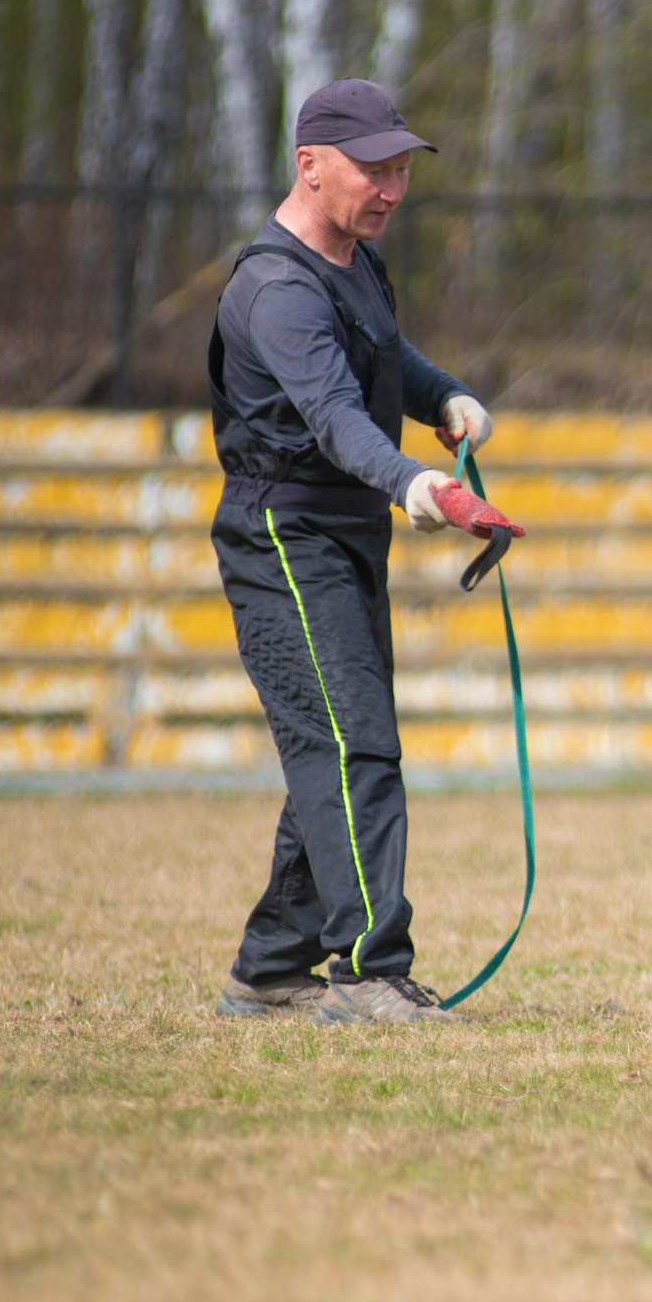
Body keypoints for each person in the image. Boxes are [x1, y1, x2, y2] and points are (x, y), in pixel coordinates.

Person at [207, 79, 521, 1026]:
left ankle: (271, 968)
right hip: (286, 538)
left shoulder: (355, 262)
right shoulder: (275, 289)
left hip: (347, 534)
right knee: (355, 748)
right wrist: (417, 484)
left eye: (399, 171)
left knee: (336, 745)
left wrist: (444, 398)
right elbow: (336, 416)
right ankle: (368, 971)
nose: (390, 188)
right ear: (310, 166)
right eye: (371, 170)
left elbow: (385, 358)